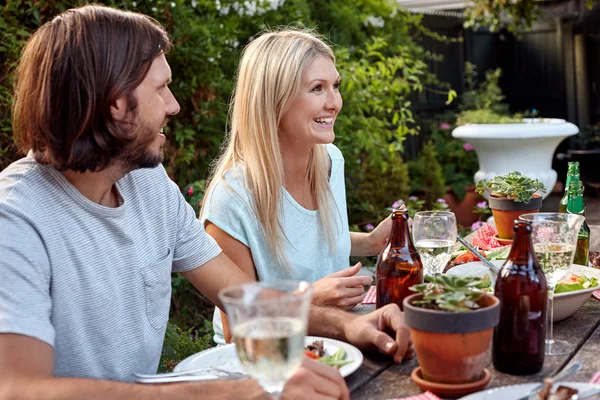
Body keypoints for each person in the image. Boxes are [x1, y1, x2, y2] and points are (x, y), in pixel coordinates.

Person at [0, 5, 411, 400]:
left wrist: (353, 326)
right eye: (160, 88)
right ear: (115, 102)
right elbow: (18, 389)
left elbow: (246, 299)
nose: (174, 105)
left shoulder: (149, 185)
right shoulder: (16, 216)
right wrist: (236, 392)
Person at [201, 29, 393, 344]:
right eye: (317, 88)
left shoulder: (330, 160)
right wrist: (308, 296)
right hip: (267, 365)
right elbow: (238, 333)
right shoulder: (232, 198)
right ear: (274, 99)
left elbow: (304, 239)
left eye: (335, 86)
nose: (334, 103)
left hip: (334, 344)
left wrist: (371, 244)